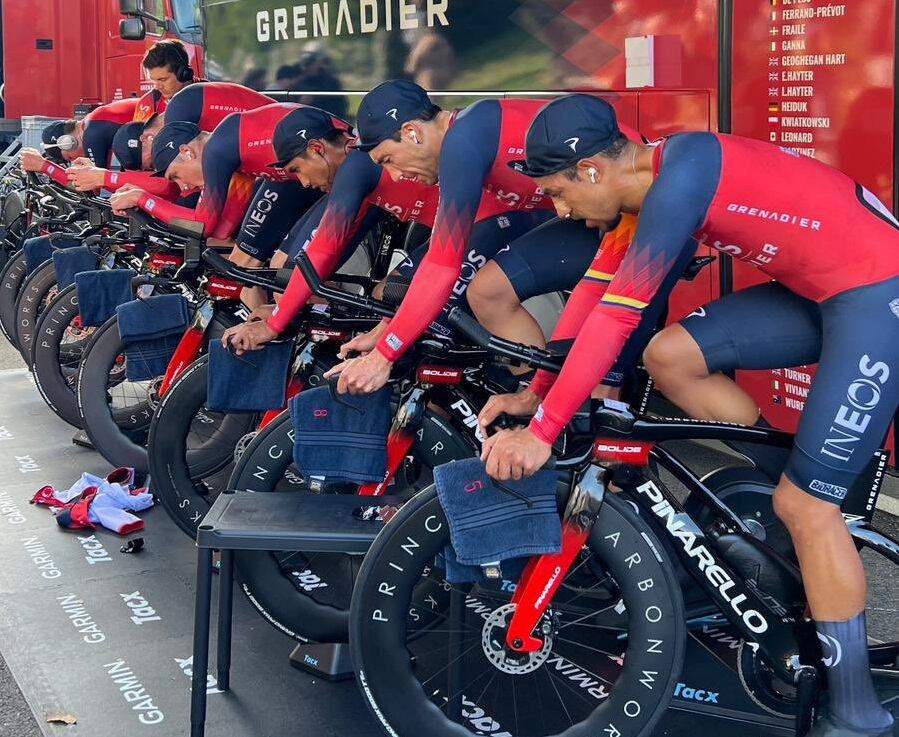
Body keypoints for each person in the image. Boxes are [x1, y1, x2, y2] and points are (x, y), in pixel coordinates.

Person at [481, 93, 899, 737]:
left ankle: (856, 711)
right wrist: (539, 392)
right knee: (670, 356)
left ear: (591, 169)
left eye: (557, 191)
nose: (558, 209)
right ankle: (794, 489)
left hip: (877, 296)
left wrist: (542, 434)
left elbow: (617, 314)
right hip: (820, 290)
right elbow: (597, 291)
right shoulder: (646, 183)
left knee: (807, 510)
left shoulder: (680, 181)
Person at [323, 81, 625, 396]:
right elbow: (452, 253)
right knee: (488, 291)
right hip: (586, 218)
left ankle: (570, 411)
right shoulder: (465, 135)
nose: (395, 177)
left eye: (387, 160)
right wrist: (389, 331)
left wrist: (386, 355)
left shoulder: (462, 142)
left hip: (624, 213)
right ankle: (535, 398)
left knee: (598, 374)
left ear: (412, 132)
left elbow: (442, 265)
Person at [222, 105, 441, 353]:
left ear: (317, 149)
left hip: (474, 229)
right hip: (453, 231)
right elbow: (325, 254)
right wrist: (283, 312)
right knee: (380, 296)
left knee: (389, 294)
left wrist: (274, 324)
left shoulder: (355, 167)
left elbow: (321, 252)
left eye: (297, 170)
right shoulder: (355, 169)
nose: (303, 183)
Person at [109, 103, 328, 268]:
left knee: (283, 272)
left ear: (187, 153)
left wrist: (143, 199)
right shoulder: (232, 159)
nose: (184, 188)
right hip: (300, 176)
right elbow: (221, 231)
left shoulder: (216, 152)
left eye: (176, 176)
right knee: (242, 265)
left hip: (335, 171)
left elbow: (202, 225)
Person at [133, 39, 198, 123]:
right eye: (153, 80)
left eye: (163, 80)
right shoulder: (148, 103)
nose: (157, 87)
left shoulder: (208, 95)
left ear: (183, 73)